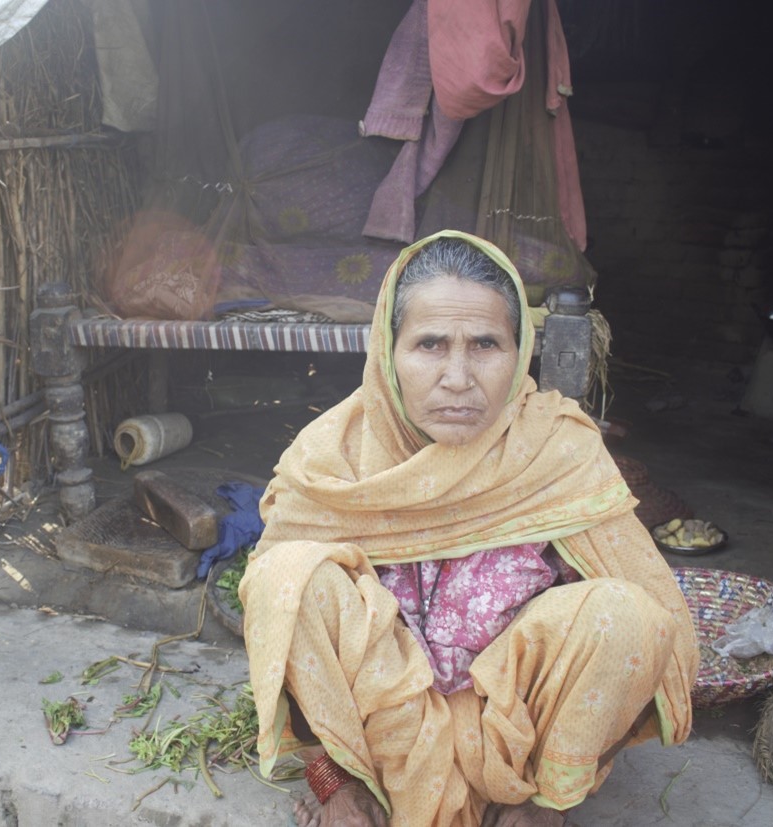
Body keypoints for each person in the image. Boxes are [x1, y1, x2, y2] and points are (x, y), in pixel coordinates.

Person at [239, 230, 698, 827]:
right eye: (430, 344)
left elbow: (656, 634)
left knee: (629, 612)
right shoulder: (334, 456)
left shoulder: (555, 448)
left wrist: (552, 781)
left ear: (519, 349)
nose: (458, 376)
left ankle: (540, 807)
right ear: (388, 351)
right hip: (382, 740)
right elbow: (282, 632)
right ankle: (352, 793)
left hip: (518, 741)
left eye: (485, 343)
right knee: (284, 580)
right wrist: (328, 776)